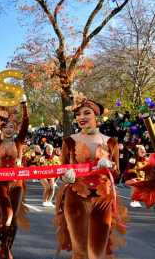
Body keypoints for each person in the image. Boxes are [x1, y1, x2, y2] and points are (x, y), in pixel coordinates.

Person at [56, 96, 125, 259]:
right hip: (75, 199)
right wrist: (66, 177)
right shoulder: (69, 142)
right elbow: (62, 169)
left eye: (86, 113)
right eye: (78, 115)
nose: (81, 117)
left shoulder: (111, 143)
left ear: (96, 116)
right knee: (79, 251)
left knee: (97, 252)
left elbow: (117, 173)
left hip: (102, 200)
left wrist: (110, 166)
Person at [0, 95, 28, 259]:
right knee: (7, 213)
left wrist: (24, 105)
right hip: (0, 184)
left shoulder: (19, 142)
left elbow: (26, 123)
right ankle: (4, 246)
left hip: (17, 184)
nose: (8, 129)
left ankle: (6, 248)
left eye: (12, 127)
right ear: (2, 129)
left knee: (14, 219)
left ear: (15, 129)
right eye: (6, 127)